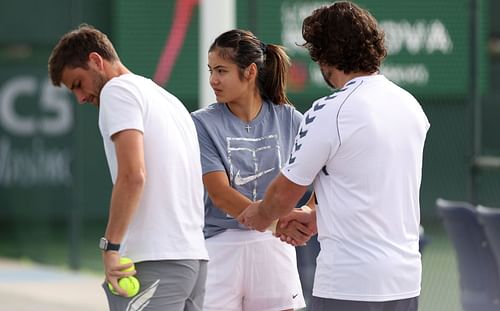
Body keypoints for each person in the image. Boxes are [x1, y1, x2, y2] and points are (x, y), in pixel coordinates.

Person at [238, 2, 430, 311]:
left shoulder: (330, 110)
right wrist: (315, 216)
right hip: (405, 282)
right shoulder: (410, 106)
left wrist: (259, 215)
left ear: (324, 56)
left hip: (349, 285)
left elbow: (284, 195)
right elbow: (368, 184)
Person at [48, 24, 209, 311]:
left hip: (153, 262)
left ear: (96, 61)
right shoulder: (168, 99)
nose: (81, 98)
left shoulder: (116, 91)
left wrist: (110, 247)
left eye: (78, 84)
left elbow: (133, 175)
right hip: (193, 261)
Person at [191, 29, 313, 311]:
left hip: (276, 247)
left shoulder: (291, 119)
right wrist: (277, 222)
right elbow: (220, 194)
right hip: (220, 248)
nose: (213, 80)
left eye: (221, 71)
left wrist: (307, 216)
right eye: (211, 71)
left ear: (250, 72)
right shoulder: (200, 123)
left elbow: (324, 181)